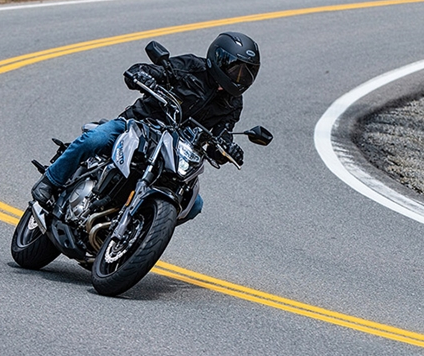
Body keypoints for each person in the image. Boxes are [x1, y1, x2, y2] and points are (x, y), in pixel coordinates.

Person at [31, 31, 261, 222]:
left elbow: (221, 135)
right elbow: (157, 70)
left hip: (175, 152)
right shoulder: (191, 66)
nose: (240, 77)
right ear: (218, 59)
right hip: (140, 125)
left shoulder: (233, 103)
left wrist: (228, 149)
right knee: (96, 138)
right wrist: (142, 75)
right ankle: (51, 181)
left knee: (194, 205)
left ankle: (141, 229)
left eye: (247, 73)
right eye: (236, 69)